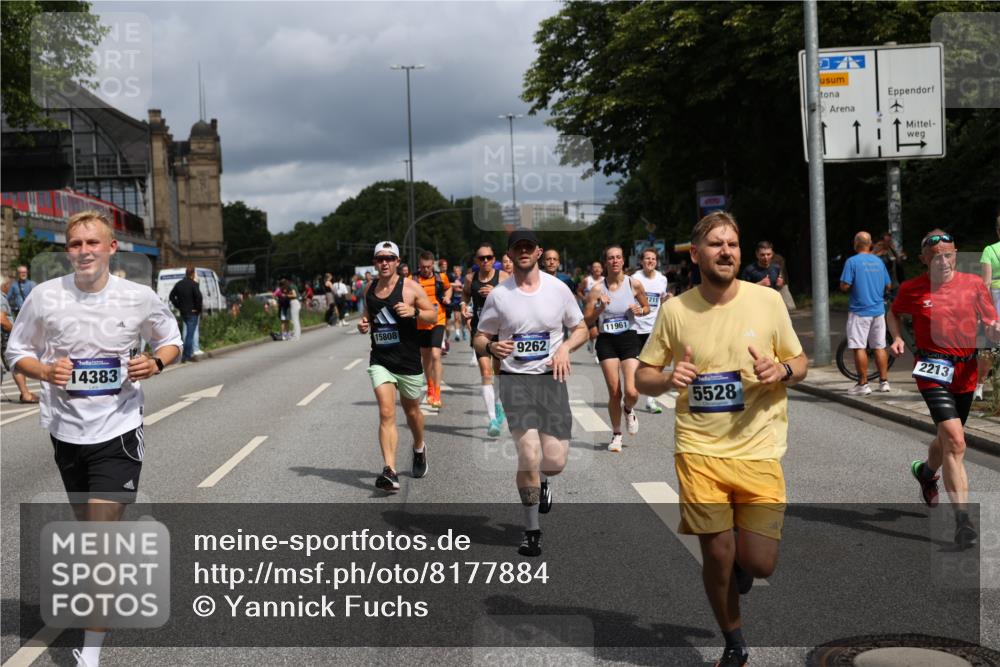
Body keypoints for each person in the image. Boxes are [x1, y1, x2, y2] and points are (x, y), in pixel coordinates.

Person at [5, 210, 181, 667]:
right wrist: (44, 370)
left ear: (110, 248)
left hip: (117, 430)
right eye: (75, 244)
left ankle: (90, 654)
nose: (84, 251)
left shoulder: (137, 298)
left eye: (92, 243)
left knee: (99, 545)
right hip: (66, 432)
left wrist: (156, 363)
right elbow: (16, 350)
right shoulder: (45, 297)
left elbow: (171, 339)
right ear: (68, 250)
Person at [636, 211, 808, 667]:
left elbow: (800, 361)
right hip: (699, 450)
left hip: (759, 448)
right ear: (696, 254)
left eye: (733, 243)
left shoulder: (767, 302)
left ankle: (740, 566)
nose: (726, 251)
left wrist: (782, 370)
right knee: (716, 552)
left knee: (759, 563)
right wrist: (671, 377)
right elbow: (642, 377)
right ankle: (734, 642)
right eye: (716, 244)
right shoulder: (675, 311)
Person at [474, 230, 587, 557]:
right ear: (508, 255)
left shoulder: (558, 289)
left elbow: (580, 328)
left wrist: (565, 348)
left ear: (538, 252)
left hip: (551, 381)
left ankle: (545, 483)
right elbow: (480, 337)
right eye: (517, 248)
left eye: (528, 247)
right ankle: (531, 530)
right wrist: (492, 346)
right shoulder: (499, 295)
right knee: (529, 455)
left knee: (553, 462)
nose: (523, 252)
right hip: (514, 380)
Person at [889, 229, 999, 549]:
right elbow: (893, 313)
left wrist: (992, 330)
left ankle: (926, 472)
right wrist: (896, 337)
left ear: (956, 254)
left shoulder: (974, 284)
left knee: (947, 439)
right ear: (924, 260)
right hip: (932, 370)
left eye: (949, 253)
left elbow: (990, 323)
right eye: (936, 256)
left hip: (965, 369)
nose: (944, 260)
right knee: (955, 439)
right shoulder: (912, 288)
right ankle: (963, 522)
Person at [358, 241, 437, 492]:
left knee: (412, 412)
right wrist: (364, 324)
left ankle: (419, 447)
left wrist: (414, 312)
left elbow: (432, 315)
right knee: (386, 412)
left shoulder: (411, 288)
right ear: (375, 262)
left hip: (408, 360)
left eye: (390, 258)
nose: (384, 262)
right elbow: (369, 317)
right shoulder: (369, 289)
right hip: (381, 360)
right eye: (380, 258)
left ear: (397, 262)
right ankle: (390, 470)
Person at [583, 245, 650, 451]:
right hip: (607, 341)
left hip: (629, 338)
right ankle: (616, 434)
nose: (614, 261)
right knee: (614, 392)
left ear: (623, 261)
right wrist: (600, 308)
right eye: (610, 258)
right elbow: (587, 319)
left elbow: (647, 307)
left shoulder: (634, 284)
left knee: (631, 391)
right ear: (606, 262)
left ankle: (628, 409)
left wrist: (640, 310)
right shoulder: (596, 289)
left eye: (618, 257)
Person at [462, 242, 509, 436]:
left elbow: (516, 300)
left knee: (498, 372)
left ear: (494, 260)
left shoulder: (505, 278)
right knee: (486, 371)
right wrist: (463, 308)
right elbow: (464, 296)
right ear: (476, 261)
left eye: (489, 257)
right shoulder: (470, 278)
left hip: (500, 330)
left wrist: (495, 293)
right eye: (481, 258)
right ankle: (492, 420)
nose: (485, 261)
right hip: (480, 332)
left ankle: (498, 404)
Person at [839, 231, 893, 395]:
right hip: (878, 311)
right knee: (879, 346)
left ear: (856, 244)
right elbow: (888, 286)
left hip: (859, 311)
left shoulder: (852, 262)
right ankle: (884, 382)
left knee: (859, 347)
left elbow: (844, 286)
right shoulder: (878, 261)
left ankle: (863, 384)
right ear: (870, 244)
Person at [632, 247, 671, 413]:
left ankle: (651, 399)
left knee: (656, 363)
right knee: (634, 366)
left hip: (654, 327)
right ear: (641, 261)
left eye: (653, 259)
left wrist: (668, 300)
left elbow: (662, 300)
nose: (650, 261)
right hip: (634, 326)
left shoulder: (662, 279)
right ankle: (630, 397)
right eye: (647, 258)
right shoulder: (634, 278)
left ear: (657, 261)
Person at [413, 251, 452, 408]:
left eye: (428, 267)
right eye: (423, 267)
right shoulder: (413, 279)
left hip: (438, 319)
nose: (426, 270)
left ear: (433, 265)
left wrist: (447, 297)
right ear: (419, 265)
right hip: (421, 321)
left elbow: (448, 289)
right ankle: (429, 386)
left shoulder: (441, 277)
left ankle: (437, 391)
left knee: (436, 354)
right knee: (426, 357)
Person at [1, 276, 40, 403]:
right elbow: (2, 319)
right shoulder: (1, 298)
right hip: (5, 335)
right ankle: (25, 394)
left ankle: (25, 393)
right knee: (16, 364)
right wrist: (14, 331)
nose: (9, 288)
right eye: (8, 286)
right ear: (4, 286)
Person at [976, 217, 1000, 400]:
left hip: (996, 298)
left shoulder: (990, 250)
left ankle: (979, 387)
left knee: (989, 346)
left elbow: (985, 283)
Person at [168, 266, 202, 362]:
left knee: (187, 333)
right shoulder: (194, 284)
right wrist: (198, 310)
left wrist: (178, 306)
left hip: (183, 312)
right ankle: (186, 356)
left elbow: (171, 296)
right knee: (190, 335)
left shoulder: (179, 284)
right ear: (193, 274)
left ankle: (185, 354)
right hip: (192, 312)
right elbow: (199, 298)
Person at [576, 260, 605, 359]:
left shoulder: (605, 280)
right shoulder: (587, 280)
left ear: (602, 269)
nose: (597, 269)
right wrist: (584, 298)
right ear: (592, 270)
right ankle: (591, 340)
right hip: (590, 311)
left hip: (601, 311)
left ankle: (599, 353)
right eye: (595, 267)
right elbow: (579, 291)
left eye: (599, 267)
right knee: (594, 333)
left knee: (600, 332)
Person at [874, 231, 907, 298]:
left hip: (895, 283)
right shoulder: (877, 252)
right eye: (887, 241)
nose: (889, 243)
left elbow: (897, 263)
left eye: (890, 241)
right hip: (883, 285)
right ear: (882, 241)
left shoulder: (891, 250)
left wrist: (900, 257)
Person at [450, 264, 467, 342]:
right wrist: (457, 287)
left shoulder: (464, 279)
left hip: (463, 301)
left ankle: (463, 330)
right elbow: (450, 286)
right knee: (456, 318)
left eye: (458, 272)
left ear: (460, 272)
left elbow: (464, 289)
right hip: (455, 301)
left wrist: (458, 288)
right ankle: (457, 334)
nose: (456, 273)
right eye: (455, 272)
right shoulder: (452, 279)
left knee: (463, 319)